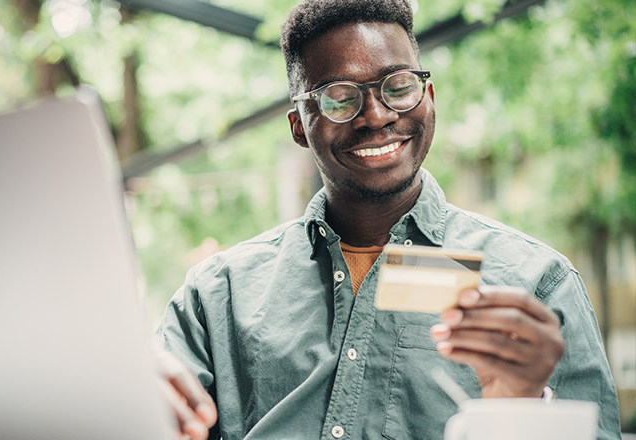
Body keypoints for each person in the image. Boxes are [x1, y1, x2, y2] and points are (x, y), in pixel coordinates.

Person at [151, 0, 621, 439]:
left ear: (428, 97)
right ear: (299, 126)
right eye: (339, 98)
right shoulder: (217, 294)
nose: (375, 116)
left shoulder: (537, 284)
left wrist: (523, 406)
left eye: (398, 87)